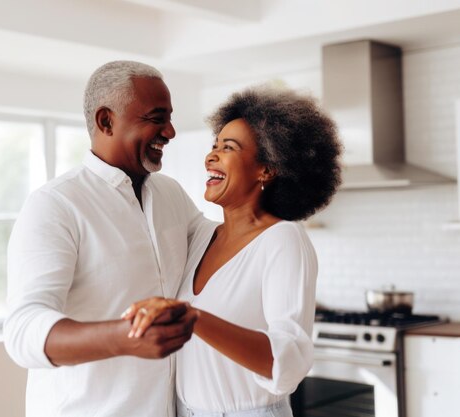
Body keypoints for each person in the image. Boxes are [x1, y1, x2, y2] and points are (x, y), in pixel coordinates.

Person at [122, 87, 342, 417]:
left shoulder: (283, 239)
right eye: (214, 146)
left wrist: (193, 317)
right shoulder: (201, 236)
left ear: (266, 169)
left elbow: (289, 360)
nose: (211, 156)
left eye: (229, 148)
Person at [3, 61, 204, 417]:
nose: (170, 131)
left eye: (169, 117)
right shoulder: (56, 204)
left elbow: (221, 245)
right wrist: (125, 337)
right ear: (106, 121)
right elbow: (22, 331)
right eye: (157, 118)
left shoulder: (171, 195)